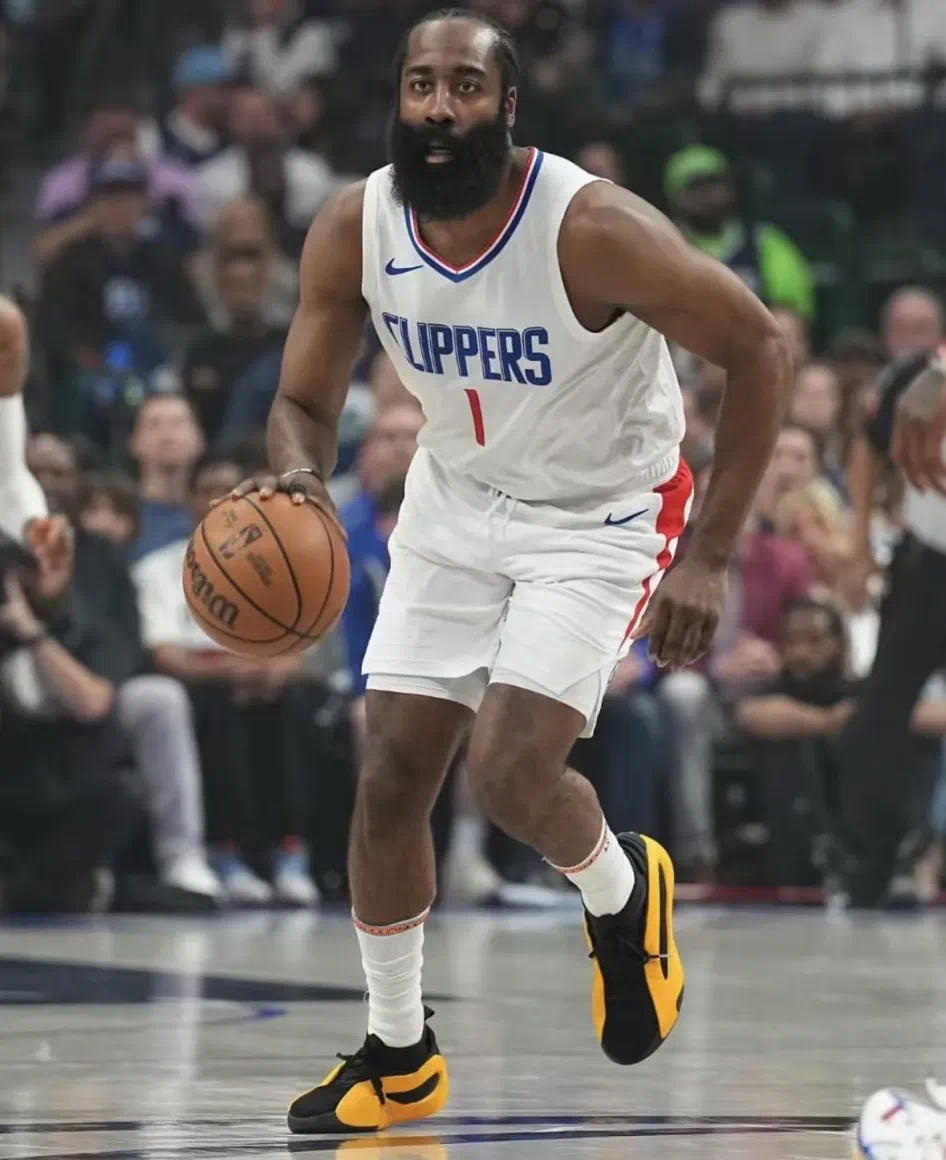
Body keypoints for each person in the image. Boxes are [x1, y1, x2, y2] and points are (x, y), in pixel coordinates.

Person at [228, 8, 791, 1134]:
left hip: (601, 513)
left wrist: (711, 556)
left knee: (509, 774)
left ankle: (622, 890)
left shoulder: (592, 228)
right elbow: (300, 402)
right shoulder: (354, 226)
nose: (439, 109)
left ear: (507, 107)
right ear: (397, 99)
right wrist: (295, 479)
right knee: (390, 778)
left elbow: (760, 347)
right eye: (420, 85)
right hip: (454, 500)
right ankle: (399, 1055)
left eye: (465, 87)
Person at [26, 432, 221, 900]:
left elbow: (123, 643)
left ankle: (183, 858)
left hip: (91, 687)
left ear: (79, 483)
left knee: (159, 699)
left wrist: (88, 678)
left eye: (59, 472)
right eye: (37, 471)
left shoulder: (99, 553)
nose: (47, 482)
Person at [133, 452, 319, 907]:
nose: (217, 500)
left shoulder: (281, 566)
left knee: (299, 701)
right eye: (205, 490)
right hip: (202, 684)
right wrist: (236, 669)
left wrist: (274, 669)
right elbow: (165, 655)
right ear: (187, 500)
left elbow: (301, 652)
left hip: (261, 680)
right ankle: (226, 853)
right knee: (215, 707)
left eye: (229, 490)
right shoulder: (158, 569)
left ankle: (291, 852)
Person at [837, 345, 946, 905]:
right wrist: (858, 543)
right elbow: (868, 441)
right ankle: (871, 867)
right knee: (879, 717)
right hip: (926, 561)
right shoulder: (916, 374)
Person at [664, 145, 815, 323]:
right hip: (687, 332)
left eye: (714, 184)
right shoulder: (665, 245)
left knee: (785, 321)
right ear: (674, 196)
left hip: (754, 332)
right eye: (697, 187)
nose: (709, 195)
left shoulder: (762, 240)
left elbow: (793, 303)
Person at [194, 86, 337, 252]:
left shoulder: (312, 170)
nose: (255, 124)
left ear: (276, 118)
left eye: (262, 115)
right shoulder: (211, 176)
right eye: (247, 117)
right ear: (231, 122)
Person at [182, 249, 288, 442]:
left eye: (249, 286)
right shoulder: (201, 351)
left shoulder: (285, 343)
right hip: (216, 451)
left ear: (263, 287)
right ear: (220, 289)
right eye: (235, 286)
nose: (243, 295)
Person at [698, 0, 826, 112]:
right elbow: (714, 80)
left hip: (801, 117)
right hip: (742, 119)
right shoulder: (729, 22)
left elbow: (824, 84)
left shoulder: (819, 20)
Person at [129, 394, 206, 562]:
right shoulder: (121, 518)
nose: (167, 435)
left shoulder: (216, 516)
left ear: (199, 440)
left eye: (178, 423)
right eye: (154, 424)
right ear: (134, 441)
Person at [222, 0, 337, 100]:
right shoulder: (238, 32)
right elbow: (227, 72)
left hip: (293, 110)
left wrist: (263, 27)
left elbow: (280, 85)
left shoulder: (315, 33)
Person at [163, 46, 233, 169]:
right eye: (223, 88)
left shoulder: (230, 142)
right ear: (196, 91)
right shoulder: (158, 141)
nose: (230, 97)